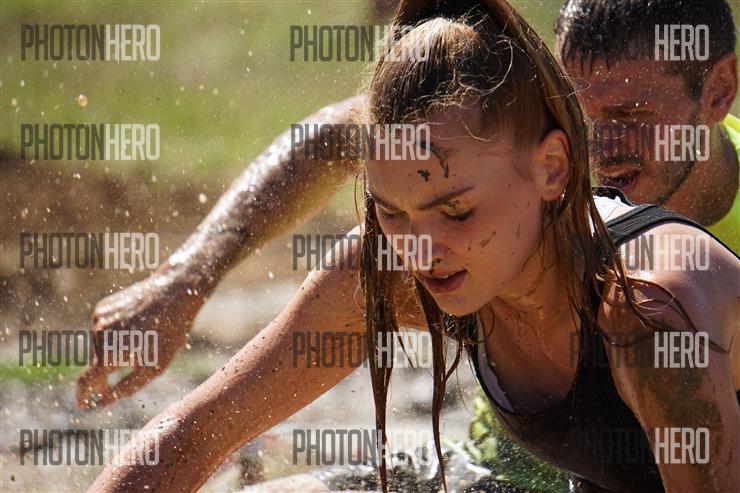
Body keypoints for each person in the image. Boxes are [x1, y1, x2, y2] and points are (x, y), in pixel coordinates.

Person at [88, 1, 739, 492]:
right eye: (392, 210)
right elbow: (194, 435)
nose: (423, 249)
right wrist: (183, 280)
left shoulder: (653, 306)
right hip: (505, 471)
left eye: (456, 211)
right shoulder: (420, 226)